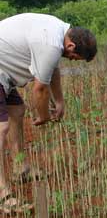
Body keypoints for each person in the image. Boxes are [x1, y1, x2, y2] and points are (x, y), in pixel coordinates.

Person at [0, 13, 97, 213]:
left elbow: (52, 70)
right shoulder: (51, 45)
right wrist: (43, 116)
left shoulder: (59, 31)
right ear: (71, 47)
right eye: (74, 58)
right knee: (1, 128)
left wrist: (59, 101)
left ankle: (21, 169)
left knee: (17, 111)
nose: (71, 60)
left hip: (5, 72)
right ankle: (3, 195)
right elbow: (39, 89)